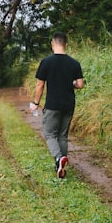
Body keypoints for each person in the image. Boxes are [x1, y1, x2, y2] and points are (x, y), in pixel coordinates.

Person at [29, 31, 84, 178]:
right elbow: (80, 84)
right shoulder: (74, 63)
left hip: (53, 105)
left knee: (49, 134)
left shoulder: (46, 62)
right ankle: (60, 167)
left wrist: (35, 102)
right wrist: (70, 82)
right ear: (65, 44)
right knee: (62, 136)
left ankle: (59, 158)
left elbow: (40, 85)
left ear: (53, 44)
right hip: (69, 105)